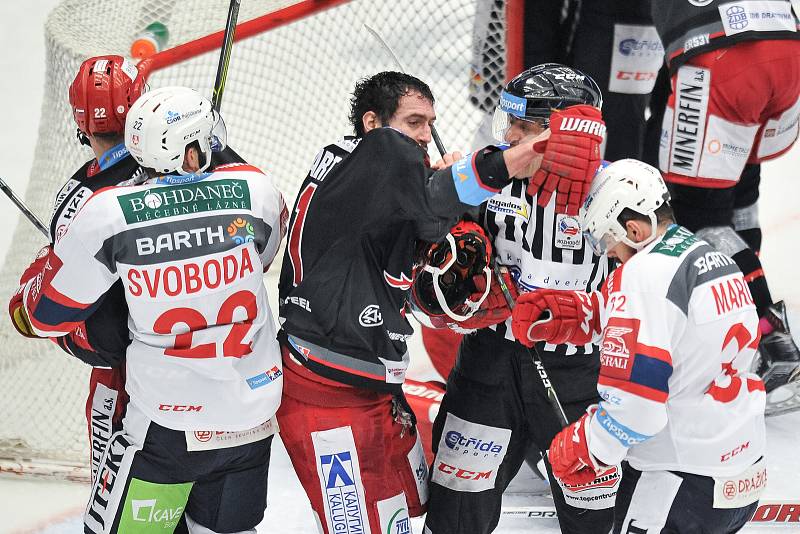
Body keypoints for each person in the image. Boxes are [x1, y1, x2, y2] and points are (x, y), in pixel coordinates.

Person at [276, 71, 552, 534]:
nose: (424, 135)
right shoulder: (384, 153)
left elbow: (420, 236)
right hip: (327, 398)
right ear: (372, 123)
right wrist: (539, 146)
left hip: (373, 381)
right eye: (414, 122)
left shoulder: (355, 166)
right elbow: (429, 202)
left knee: (415, 505)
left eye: (430, 123)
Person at [9, 85, 286, 533]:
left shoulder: (108, 214)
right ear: (192, 154)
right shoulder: (257, 189)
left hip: (167, 428)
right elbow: (267, 254)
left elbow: (45, 316)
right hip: (252, 418)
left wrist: (45, 265)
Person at [512, 158, 767, 533]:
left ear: (632, 228)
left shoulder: (642, 275)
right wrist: (586, 314)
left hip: (677, 482)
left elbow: (637, 408)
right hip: (740, 472)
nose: (608, 253)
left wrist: (589, 445)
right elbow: (681, 329)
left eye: (607, 239)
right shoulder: (710, 257)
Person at [422, 64, 616, 534]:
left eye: (524, 127)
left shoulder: (615, 186)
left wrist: (592, 314)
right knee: (454, 513)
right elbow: (431, 202)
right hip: (489, 364)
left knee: (592, 520)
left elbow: (655, 283)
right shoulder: (491, 173)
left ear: (566, 131)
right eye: (508, 123)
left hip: (578, 376)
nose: (510, 136)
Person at [651, 0, 800, 393]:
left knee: (700, 215)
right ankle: (741, 320)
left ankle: (768, 333)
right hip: (786, 44)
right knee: (740, 193)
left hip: (722, 56)